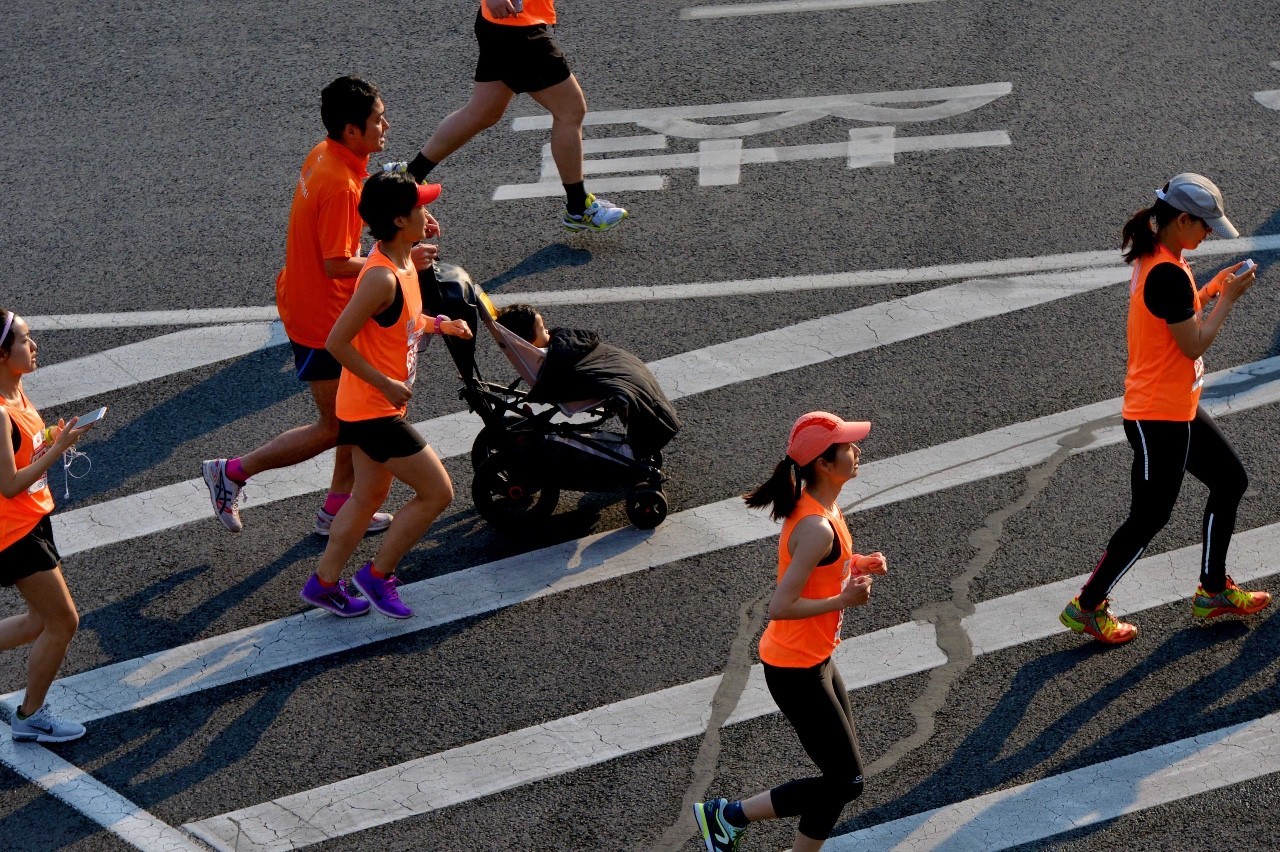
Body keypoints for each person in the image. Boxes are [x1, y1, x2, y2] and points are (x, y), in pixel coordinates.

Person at [202, 76, 441, 537]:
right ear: (352, 130)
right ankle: (231, 472)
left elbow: (349, 213)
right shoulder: (341, 186)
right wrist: (402, 257)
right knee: (335, 426)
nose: (386, 126)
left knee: (352, 420)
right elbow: (336, 263)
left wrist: (402, 217)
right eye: (378, 120)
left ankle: (336, 508)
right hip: (323, 319)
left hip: (304, 299)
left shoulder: (325, 155)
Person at [1059, 173, 1270, 644]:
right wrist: (1227, 301)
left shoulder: (1159, 255)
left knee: (1230, 480)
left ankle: (1213, 590)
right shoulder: (1168, 272)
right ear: (1182, 219)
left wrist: (1209, 290)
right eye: (1206, 225)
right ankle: (1088, 607)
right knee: (1150, 517)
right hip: (1157, 417)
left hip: (1176, 408)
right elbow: (1192, 343)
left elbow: (1176, 314)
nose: (1210, 233)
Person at [694, 412, 888, 852]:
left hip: (815, 658)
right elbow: (780, 606)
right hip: (795, 669)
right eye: (848, 446)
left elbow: (825, 567)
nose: (857, 451)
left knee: (840, 778)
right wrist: (844, 600)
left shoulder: (824, 508)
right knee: (847, 781)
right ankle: (728, 815)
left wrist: (858, 564)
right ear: (824, 463)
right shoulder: (816, 527)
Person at [299, 172, 473, 619]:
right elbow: (337, 342)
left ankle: (323, 584)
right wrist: (385, 383)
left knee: (367, 497)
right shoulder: (381, 277)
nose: (427, 214)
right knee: (438, 492)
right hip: (373, 410)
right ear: (398, 219)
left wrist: (441, 324)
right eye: (420, 207)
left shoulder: (404, 262)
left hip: (374, 405)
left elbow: (404, 321)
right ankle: (378, 576)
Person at [394, 0, 628, 233]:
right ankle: (578, 207)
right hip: (516, 29)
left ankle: (410, 175)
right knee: (570, 110)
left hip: (507, 24)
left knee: (483, 113)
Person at [0, 310, 99, 742]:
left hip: (33, 520)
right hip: (13, 534)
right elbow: (8, 485)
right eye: (24, 339)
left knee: (38, 622)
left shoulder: (16, 392)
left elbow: (23, 453)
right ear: (2, 355)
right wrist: (58, 450)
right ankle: (29, 716)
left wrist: (50, 440)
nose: (34, 345)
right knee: (64, 623)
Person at [494, 303, 680, 457]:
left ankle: (641, 441)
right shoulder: (550, 362)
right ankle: (639, 447)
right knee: (630, 390)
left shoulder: (543, 356)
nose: (548, 331)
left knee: (631, 384)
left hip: (588, 363)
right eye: (542, 329)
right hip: (589, 369)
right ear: (528, 340)